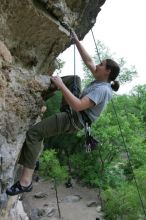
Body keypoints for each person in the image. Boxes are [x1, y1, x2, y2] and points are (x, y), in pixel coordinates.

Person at [6, 31, 120, 196]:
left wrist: (61, 85)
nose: (97, 66)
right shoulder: (101, 79)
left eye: (101, 65)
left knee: (34, 133)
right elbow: (89, 61)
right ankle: (47, 86)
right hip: (73, 113)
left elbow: (79, 105)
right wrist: (76, 40)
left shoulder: (102, 90)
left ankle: (25, 182)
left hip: (72, 119)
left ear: (107, 72)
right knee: (75, 79)